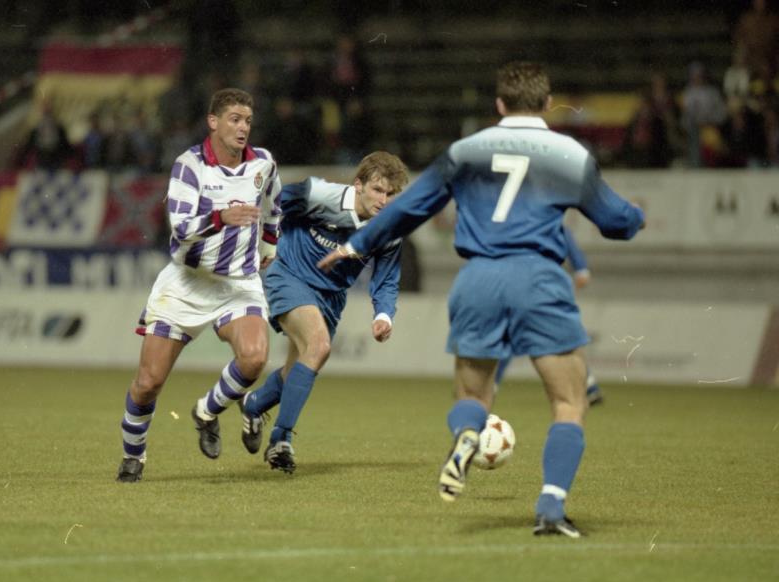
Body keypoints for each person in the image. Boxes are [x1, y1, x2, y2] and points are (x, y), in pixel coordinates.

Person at [318, 62, 645, 537]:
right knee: (569, 401)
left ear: (499, 104)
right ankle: (551, 507)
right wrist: (634, 217)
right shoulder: (570, 153)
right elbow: (615, 221)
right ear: (547, 104)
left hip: (478, 279)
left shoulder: (465, 151)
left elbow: (409, 208)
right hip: (538, 277)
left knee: (472, 396)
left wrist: (357, 244)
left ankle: (467, 434)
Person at [116, 88, 282, 483]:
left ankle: (206, 410)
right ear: (213, 122)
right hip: (187, 284)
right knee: (148, 383)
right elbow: (181, 228)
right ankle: (133, 456)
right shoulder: (189, 166)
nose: (243, 128)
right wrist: (222, 217)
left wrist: (269, 243)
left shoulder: (263, 163)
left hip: (238, 283)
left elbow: (274, 204)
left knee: (254, 358)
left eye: (247, 121)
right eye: (235, 119)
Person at [239, 151, 409, 473]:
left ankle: (254, 404)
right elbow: (273, 202)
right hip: (289, 275)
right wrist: (265, 242)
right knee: (318, 346)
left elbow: (387, 280)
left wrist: (383, 316)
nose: (383, 200)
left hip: (331, 297)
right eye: (377, 190)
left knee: (299, 368)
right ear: (358, 185)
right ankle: (281, 440)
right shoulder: (319, 195)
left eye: (390, 194)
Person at [494, 228, 603, 406]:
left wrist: (580, 270)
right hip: (543, 288)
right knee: (564, 340)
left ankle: (490, 386)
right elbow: (581, 270)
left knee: (509, 337)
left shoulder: (521, 224)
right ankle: (589, 385)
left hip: (532, 288)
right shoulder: (548, 222)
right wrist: (580, 270)